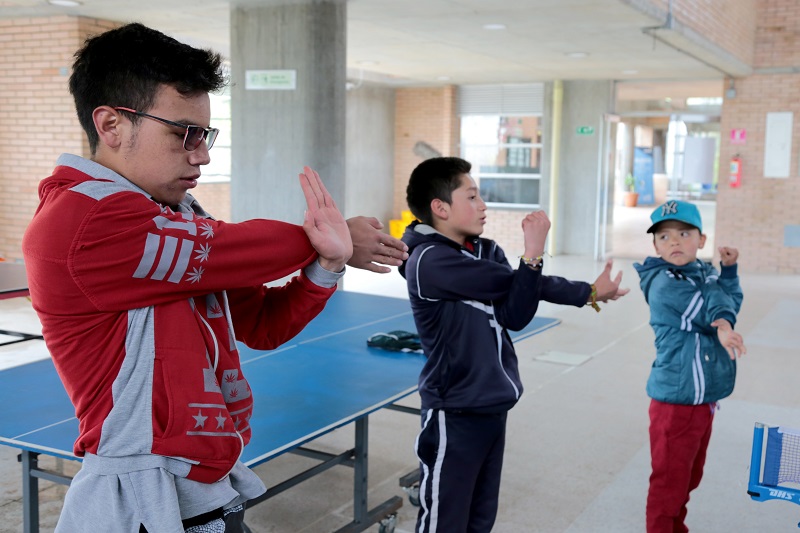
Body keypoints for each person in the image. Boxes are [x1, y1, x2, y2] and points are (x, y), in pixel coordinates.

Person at [21, 22, 407, 533]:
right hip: (144, 501)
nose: (201, 154)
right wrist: (326, 237)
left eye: (204, 134)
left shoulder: (175, 216)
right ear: (111, 124)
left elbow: (263, 325)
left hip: (207, 484)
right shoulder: (83, 220)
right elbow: (232, 247)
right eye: (183, 133)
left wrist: (327, 265)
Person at [398, 156, 628, 532]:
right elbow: (518, 281)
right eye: (471, 197)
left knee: (479, 518)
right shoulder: (428, 261)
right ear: (439, 208)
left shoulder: (485, 250)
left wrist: (538, 272)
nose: (483, 205)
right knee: (445, 522)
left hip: (492, 403)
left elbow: (516, 313)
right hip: (453, 409)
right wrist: (578, 288)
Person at [633, 199, 746, 533]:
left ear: (702, 240)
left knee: (688, 478)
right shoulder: (664, 284)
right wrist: (722, 321)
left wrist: (727, 272)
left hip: (700, 399)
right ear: (655, 245)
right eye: (664, 237)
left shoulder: (701, 273)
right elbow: (705, 311)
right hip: (675, 401)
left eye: (684, 233)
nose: (675, 242)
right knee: (668, 484)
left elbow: (729, 304)